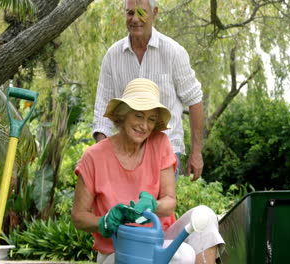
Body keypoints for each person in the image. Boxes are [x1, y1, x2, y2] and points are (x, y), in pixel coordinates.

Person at [72, 78, 224, 264]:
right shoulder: (93, 157)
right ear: (122, 114)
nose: (144, 126)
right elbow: (79, 217)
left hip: (159, 239)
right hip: (117, 250)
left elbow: (170, 201)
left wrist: (153, 205)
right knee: (183, 255)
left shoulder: (160, 143)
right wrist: (104, 222)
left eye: (151, 119)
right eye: (138, 115)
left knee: (205, 217)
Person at [93, 0, 204, 181]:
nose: (135, 19)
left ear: (155, 12)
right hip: (125, 153)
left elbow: (195, 100)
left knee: (157, 207)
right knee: (126, 208)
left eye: (142, 13)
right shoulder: (112, 56)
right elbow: (102, 111)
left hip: (166, 151)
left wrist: (196, 152)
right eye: (130, 13)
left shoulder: (174, 52)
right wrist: (100, 152)